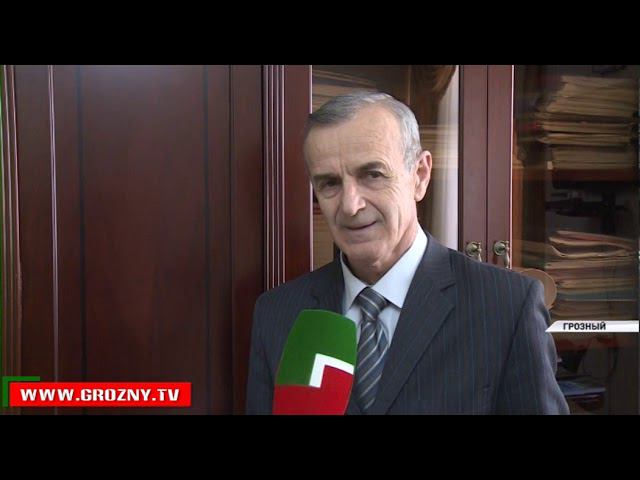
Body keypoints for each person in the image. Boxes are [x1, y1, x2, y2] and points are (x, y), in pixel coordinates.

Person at [246, 91, 569, 414]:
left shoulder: (507, 305)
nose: (350, 206)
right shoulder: (278, 315)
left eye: (372, 175)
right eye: (330, 183)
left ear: (420, 176)